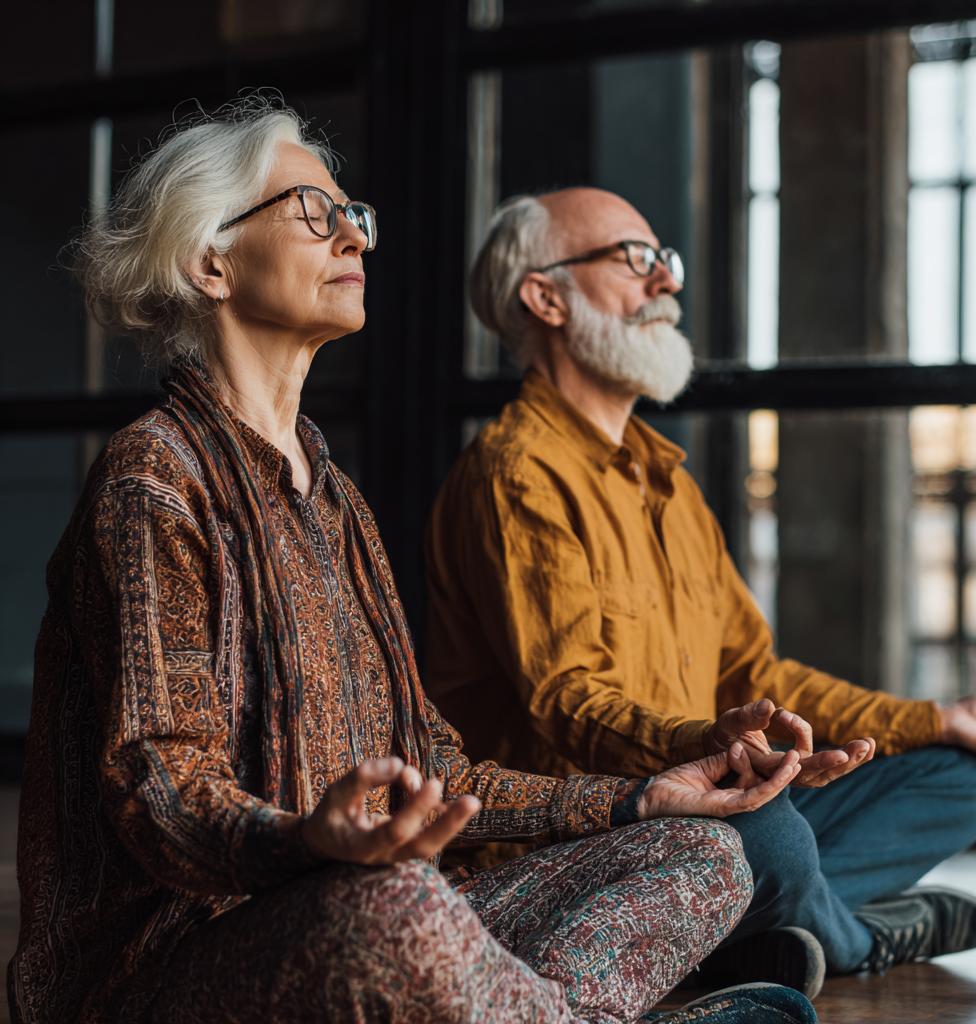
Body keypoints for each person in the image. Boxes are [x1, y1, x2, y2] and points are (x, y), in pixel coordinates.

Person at [8, 97, 818, 1024]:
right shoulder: (154, 476)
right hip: (166, 969)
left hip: (363, 912)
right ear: (210, 262)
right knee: (396, 906)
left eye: (355, 216)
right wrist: (305, 842)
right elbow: (154, 781)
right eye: (317, 212)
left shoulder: (336, 500)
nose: (355, 237)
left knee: (700, 855)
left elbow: (442, 768)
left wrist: (640, 798)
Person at [424, 187, 976, 995]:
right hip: (590, 837)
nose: (665, 284)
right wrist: (706, 750)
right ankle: (846, 939)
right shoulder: (514, 475)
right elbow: (563, 701)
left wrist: (932, 717)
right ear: (545, 297)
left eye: (664, 263)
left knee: (950, 781)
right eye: (636, 260)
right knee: (769, 837)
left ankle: (756, 930)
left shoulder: (669, 484)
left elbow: (756, 673)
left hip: (712, 800)